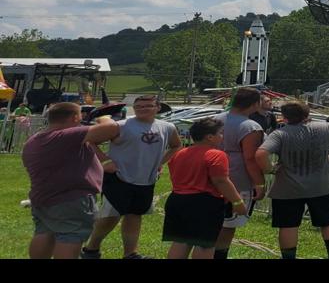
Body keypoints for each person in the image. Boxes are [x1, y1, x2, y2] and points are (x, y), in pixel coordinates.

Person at [254, 100, 329, 260]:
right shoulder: (324, 127)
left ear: (284, 117)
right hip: (321, 185)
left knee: (288, 225)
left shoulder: (280, 134)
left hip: (288, 188)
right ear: (307, 114)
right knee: (328, 222)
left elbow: (260, 154)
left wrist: (270, 169)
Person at [82, 94, 181, 260]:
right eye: (139, 106)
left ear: (157, 108)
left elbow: (176, 145)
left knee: (135, 215)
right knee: (110, 217)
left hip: (146, 180)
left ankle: (130, 254)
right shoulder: (119, 126)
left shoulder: (168, 127)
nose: (143, 109)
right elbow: (88, 141)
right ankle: (91, 249)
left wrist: (160, 163)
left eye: (148, 106)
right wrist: (105, 161)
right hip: (119, 177)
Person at [21, 101, 123, 260]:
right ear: (75, 117)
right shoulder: (66, 135)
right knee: (71, 236)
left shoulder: (35, 140)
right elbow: (111, 129)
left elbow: (65, 164)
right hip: (71, 199)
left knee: (44, 233)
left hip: (44, 197)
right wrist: (104, 117)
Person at [162, 118, 248, 259]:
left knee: (181, 242)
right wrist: (237, 202)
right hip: (204, 203)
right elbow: (221, 181)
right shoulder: (217, 154)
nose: (222, 136)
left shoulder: (180, 153)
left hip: (177, 200)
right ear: (209, 137)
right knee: (204, 244)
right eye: (220, 133)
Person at [213, 88, 269, 260]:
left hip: (211, 173)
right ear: (254, 104)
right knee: (229, 223)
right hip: (237, 177)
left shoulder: (214, 119)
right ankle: (219, 255)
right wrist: (259, 183)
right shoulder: (251, 127)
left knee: (212, 219)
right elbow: (250, 158)